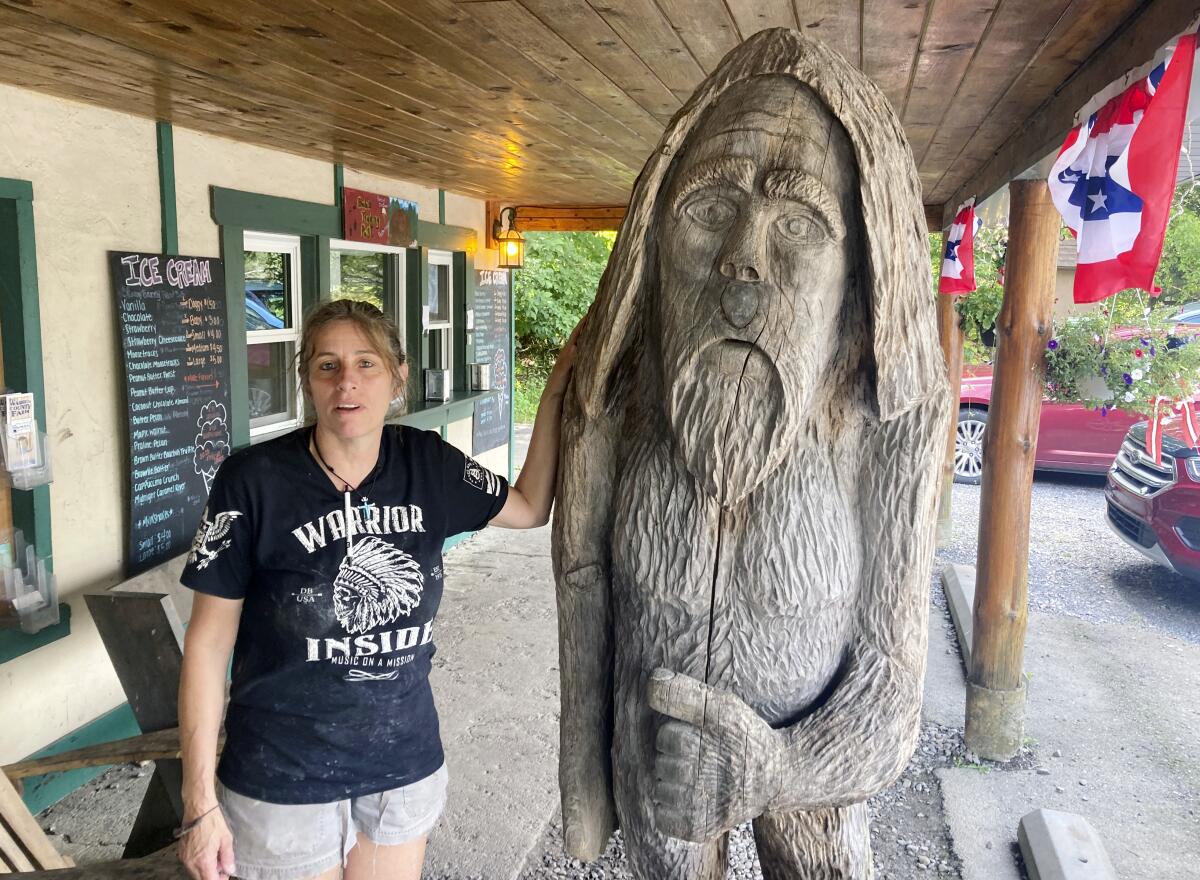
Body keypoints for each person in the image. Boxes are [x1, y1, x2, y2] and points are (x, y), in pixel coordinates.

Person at [177, 298, 578, 880]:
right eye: (327, 365)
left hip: (401, 763)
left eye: (367, 363)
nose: (347, 382)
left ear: (398, 377)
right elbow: (209, 645)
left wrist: (555, 395)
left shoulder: (427, 464)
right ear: (306, 381)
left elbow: (529, 507)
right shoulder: (253, 480)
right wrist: (198, 804)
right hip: (281, 773)